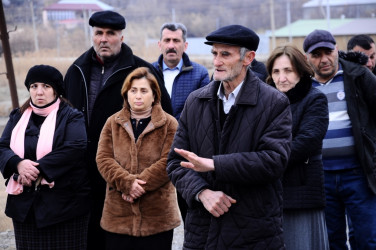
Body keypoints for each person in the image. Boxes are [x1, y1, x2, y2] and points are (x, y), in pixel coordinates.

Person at [167, 24, 292, 249]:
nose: (216, 62)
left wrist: (215, 164)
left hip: (253, 232)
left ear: (248, 58)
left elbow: (274, 161)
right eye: (214, 53)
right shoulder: (196, 101)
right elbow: (176, 162)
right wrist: (201, 192)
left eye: (225, 54)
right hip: (202, 233)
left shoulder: (274, 103)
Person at [63, 10, 172, 249]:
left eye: (110, 33)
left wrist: (138, 182)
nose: (103, 38)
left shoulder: (143, 73)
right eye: (98, 33)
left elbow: (167, 127)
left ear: (121, 37)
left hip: (135, 184)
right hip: (85, 180)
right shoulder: (76, 71)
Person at [0, 65, 90, 249]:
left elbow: (74, 148)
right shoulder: (18, 116)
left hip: (65, 207)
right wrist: (18, 164)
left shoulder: (72, 116)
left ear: (56, 90)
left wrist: (34, 169)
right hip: (25, 208)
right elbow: (2, 146)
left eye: (46, 86)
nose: (39, 92)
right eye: (34, 86)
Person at [304, 29, 376, 249]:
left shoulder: (358, 76)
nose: (324, 59)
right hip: (321, 176)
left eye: (328, 52)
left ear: (337, 49)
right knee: (331, 240)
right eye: (317, 55)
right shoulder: (303, 86)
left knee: (368, 238)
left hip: (358, 174)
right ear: (307, 57)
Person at [96, 67, 180, 250]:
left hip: (157, 217)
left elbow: (169, 160)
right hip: (118, 216)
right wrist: (126, 183)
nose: (138, 96)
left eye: (144, 91)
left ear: (154, 95)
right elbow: (103, 158)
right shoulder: (112, 122)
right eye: (133, 90)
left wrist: (138, 185)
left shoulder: (170, 124)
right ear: (126, 94)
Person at [266, 44, 329, 250]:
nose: (281, 78)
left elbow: (307, 141)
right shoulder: (266, 102)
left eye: (288, 70)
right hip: (269, 189)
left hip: (301, 188)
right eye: (276, 71)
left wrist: (265, 160)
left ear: (301, 72)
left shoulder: (314, 98)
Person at [152, 22, 209, 222]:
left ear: (185, 45)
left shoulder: (199, 74)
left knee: (189, 210)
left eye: (176, 40)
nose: (171, 45)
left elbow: (202, 114)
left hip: (185, 151)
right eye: (167, 40)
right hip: (153, 152)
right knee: (157, 213)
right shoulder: (148, 73)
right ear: (159, 44)